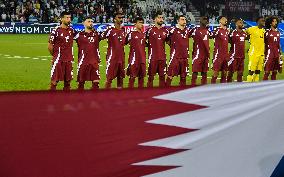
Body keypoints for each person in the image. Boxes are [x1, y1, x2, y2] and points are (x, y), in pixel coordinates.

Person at [48, 11, 76, 91]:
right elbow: (50, 46)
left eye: (70, 18)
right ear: (61, 19)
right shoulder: (56, 30)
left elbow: (80, 38)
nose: (69, 19)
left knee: (68, 82)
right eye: (67, 18)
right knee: (54, 81)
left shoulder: (72, 30)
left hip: (69, 60)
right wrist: (55, 56)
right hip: (58, 60)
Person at [74, 16, 101, 90]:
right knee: (81, 84)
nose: (91, 23)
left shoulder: (97, 34)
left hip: (94, 62)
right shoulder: (78, 35)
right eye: (89, 21)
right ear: (83, 23)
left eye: (92, 21)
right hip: (83, 62)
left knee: (96, 84)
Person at [101, 12, 126, 89]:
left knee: (120, 78)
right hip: (112, 58)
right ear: (114, 19)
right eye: (119, 17)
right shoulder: (110, 30)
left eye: (122, 18)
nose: (121, 19)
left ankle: (120, 96)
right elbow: (100, 37)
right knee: (109, 79)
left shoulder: (123, 30)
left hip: (121, 58)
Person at [166, 15, 191, 87]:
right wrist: (172, 45)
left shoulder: (187, 30)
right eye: (182, 19)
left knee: (183, 77)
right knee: (170, 75)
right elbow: (166, 39)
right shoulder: (173, 30)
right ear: (178, 21)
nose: (184, 21)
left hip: (185, 57)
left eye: (185, 20)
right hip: (175, 57)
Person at [146, 11, 169, 87]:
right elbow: (142, 41)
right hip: (153, 58)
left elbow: (169, 43)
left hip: (163, 58)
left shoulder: (166, 31)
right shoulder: (150, 30)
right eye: (159, 18)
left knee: (162, 78)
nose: (161, 19)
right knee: (151, 78)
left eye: (162, 18)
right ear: (155, 19)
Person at [125, 17, 146, 88]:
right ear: (135, 24)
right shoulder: (131, 34)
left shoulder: (143, 34)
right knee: (132, 77)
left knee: (141, 78)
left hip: (142, 59)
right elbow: (123, 43)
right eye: (140, 22)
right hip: (134, 60)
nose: (142, 24)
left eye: (142, 23)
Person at [190, 16, 211, 85]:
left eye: (207, 20)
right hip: (197, 55)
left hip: (206, 55)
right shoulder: (195, 30)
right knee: (195, 72)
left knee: (204, 72)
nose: (206, 21)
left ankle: (203, 87)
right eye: (204, 19)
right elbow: (186, 35)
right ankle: (192, 86)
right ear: (200, 21)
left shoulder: (208, 31)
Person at [246, 17, 266, 82]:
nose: (263, 22)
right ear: (257, 22)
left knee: (258, 71)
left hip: (261, 54)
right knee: (251, 71)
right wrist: (249, 39)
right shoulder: (252, 29)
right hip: (253, 53)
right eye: (262, 21)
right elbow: (244, 34)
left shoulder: (264, 31)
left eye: (264, 21)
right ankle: (248, 86)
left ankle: (256, 85)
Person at [211, 16, 230, 84]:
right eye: (223, 19)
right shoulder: (217, 30)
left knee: (224, 73)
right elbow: (211, 35)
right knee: (216, 73)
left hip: (225, 55)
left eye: (226, 19)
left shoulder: (227, 31)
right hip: (218, 55)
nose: (225, 20)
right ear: (220, 21)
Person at [263, 16, 281, 80]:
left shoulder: (278, 32)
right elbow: (263, 43)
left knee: (275, 72)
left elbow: (278, 44)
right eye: (273, 21)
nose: (275, 22)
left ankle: (273, 89)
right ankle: (263, 87)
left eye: (276, 21)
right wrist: (263, 54)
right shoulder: (267, 32)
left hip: (276, 54)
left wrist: (280, 55)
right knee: (267, 72)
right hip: (269, 54)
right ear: (270, 23)